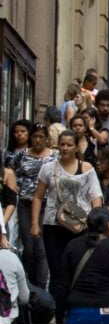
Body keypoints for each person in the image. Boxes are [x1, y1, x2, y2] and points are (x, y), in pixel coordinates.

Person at [30, 130, 103, 300]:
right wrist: (34, 223)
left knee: (78, 268)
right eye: (62, 144)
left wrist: (94, 225)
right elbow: (38, 196)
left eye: (69, 145)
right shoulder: (48, 168)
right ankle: (57, 312)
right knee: (56, 270)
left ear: (77, 147)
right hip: (53, 225)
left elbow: (95, 197)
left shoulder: (87, 168)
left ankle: (74, 307)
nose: (65, 148)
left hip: (79, 226)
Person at [12, 123, 56, 287]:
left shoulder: (53, 156)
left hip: (46, 205)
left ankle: (41, 285)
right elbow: (11, 173)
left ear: (46, 138)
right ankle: (28, 284)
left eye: (41, 137)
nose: (38, 140)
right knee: (28, 247)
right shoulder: (21, 155)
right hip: (25, 204)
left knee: (41, 248)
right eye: (35, 136)